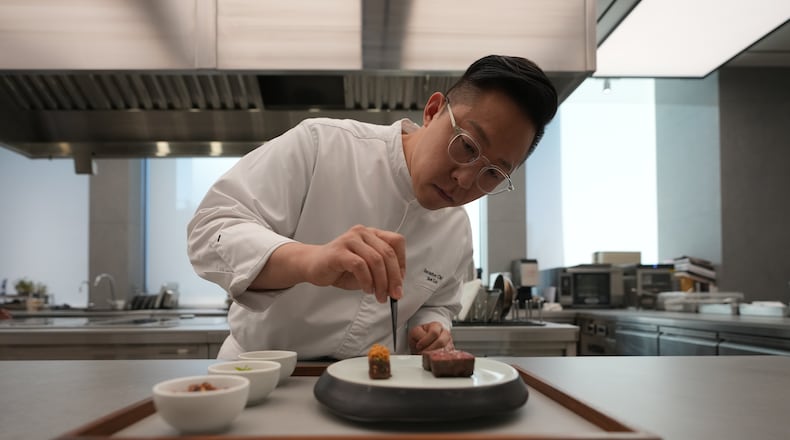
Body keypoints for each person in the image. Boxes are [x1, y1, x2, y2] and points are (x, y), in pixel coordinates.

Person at [187, 54, 558, 360]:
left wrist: (432, 330)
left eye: (492, 173)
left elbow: (440, 303)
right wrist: (310, 261)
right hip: (264, 376)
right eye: (466, 146)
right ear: (432, 111)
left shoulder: (456, 229)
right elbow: (210, 232)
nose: (465, 180)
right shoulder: (322, 145)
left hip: (373, 386)